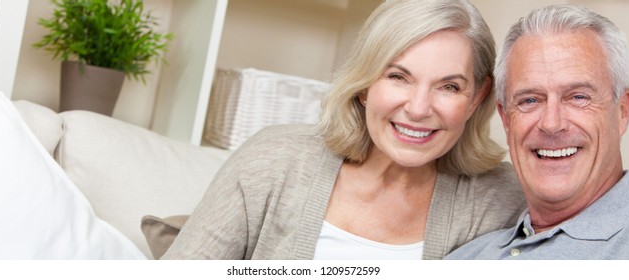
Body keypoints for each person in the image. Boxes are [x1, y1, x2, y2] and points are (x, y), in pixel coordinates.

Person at [162, 0, 525, 260]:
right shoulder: (273, 159)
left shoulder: (501, 199)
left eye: (449, 86)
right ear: (365, 84)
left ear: (477, 97)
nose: (418, 108)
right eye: (398, 77)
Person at [445, 4, 629, 260]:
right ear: (506, 119)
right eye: (530, 100)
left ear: (622, 111)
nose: (552, 123)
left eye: (578, 97)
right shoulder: (464, 258)